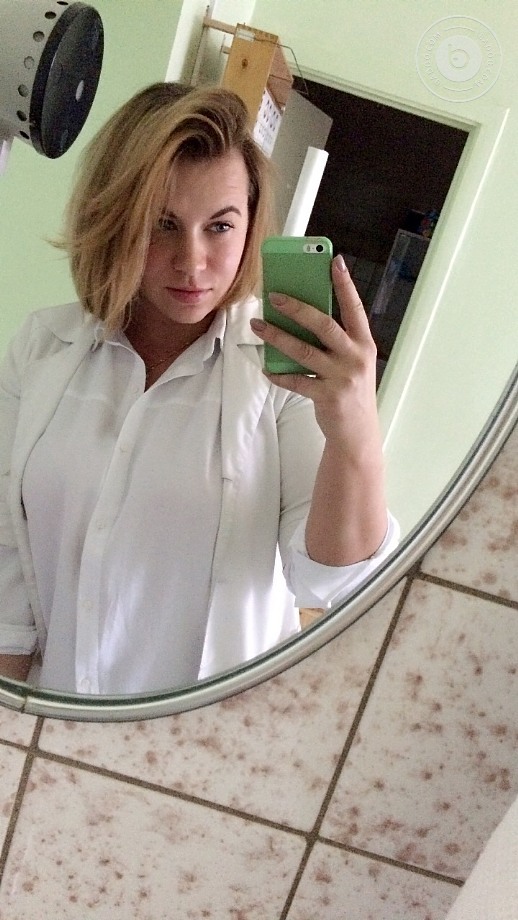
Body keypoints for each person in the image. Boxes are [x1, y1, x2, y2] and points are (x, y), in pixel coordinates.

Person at [0, 82, 399, 695]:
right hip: (59, 717)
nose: (192, 262)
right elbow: (7, 558)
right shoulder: (41, 346)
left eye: (220, 226)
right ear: (115, 217)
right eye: (163, 224)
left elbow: (330, 581)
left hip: (211, 735)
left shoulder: (283, 375)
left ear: (251, 226)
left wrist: (356, 435)